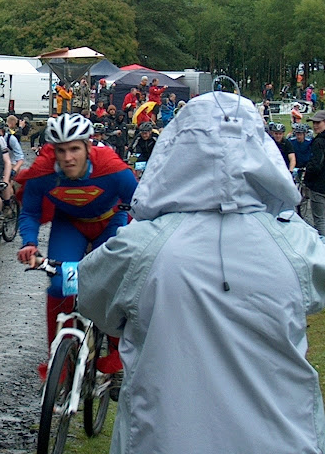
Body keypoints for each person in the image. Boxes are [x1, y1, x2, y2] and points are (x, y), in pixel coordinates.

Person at [77, 90, 325, 454]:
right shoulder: (295, 243)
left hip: (164, 437)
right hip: (281, 437)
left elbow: (92, 298)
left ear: (177, 149)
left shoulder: (141, 247)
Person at [16, 114, 137, 382]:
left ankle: (118, 355)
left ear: (88, 147)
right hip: (70, 224)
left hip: (110, 222)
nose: (68, 158)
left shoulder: (112, 168)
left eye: (74, 149)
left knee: (111, 285)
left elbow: (142, 204)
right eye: (61, 151)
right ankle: (58, 361)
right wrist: (29, 243)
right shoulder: (44, 172)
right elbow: (30, 212)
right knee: (60, 285)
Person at [305, 110, 325, 236]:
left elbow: (316, 164)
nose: (315, 125)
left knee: (320, 220)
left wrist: (307, 177)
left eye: (318, 123)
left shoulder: (319, 142)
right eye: (314, 123)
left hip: (319, 186)